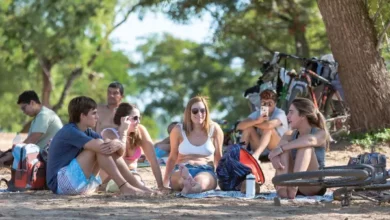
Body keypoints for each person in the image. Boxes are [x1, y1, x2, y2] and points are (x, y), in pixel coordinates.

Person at [46, 96, 154, 195]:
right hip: (61, 184)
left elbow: (118, 153)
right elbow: (104, 147)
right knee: (99, 146)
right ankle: (124, 187)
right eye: (94, 113)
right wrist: (118, 140)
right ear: (82, 116)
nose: (97, 117)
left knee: (103, 146)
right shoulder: (70, 131)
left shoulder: (88, 132)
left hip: (82, 185)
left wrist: (117, 142)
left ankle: (138, 186)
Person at [268, 97, 330, 199]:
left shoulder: (320, 132)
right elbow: (276, 152)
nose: (288, 116)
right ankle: (282, 188)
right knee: (284, 143)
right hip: (289, 181)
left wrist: (281, 149)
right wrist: (275, 156)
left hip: (312, 184)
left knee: (305, 146)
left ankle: (293, 185)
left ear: (302, 115)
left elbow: (310, 140)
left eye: (291, 112)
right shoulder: (289, 134)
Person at [163, 96, 224, 194]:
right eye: (195, 111)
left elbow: (219, 157)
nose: (199, 114)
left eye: (202, 110)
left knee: (201, 182)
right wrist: (164, 184)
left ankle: (190, 185)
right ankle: (188, 183)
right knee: (181, 180)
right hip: (182, 168)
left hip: (206, 169)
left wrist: (223, 181)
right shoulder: (178, 130)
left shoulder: (215, 129)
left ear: (206, 112)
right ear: (189, 113)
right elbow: (172, 157)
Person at [100, 103, 165, 189]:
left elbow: (153, 160)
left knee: (136, 181)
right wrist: (123, 132)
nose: (138, 121)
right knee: (136, 184)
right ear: (123, 119)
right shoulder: (109, 133)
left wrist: (160, 186)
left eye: (139, 118)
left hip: (133, 174)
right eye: (135, 118)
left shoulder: (140, 130)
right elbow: (119, 161)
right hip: (112, 177)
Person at [0, 91, 63, 166]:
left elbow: (31, 140)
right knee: (13, 153)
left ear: (32, 103)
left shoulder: (44, 115)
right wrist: (9, 151)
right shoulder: (39, 116)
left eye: (24, 108)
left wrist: (12, 154)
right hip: (45, 153)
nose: (23, 112)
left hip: (51, 156)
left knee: (17, 154)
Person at [236, 89, 288, 160]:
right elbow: (239, 126)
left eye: (269, 103)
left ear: (275, 103)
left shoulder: (280, 113)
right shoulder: (257, 113)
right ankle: (240, 155)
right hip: (261, 146)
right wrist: (256, 121)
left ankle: (255, 156)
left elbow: (269, 125)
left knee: (268, 130)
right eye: (264, 103)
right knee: (248, 128)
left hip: (276, 147)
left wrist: (255, 123)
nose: (267, 106)